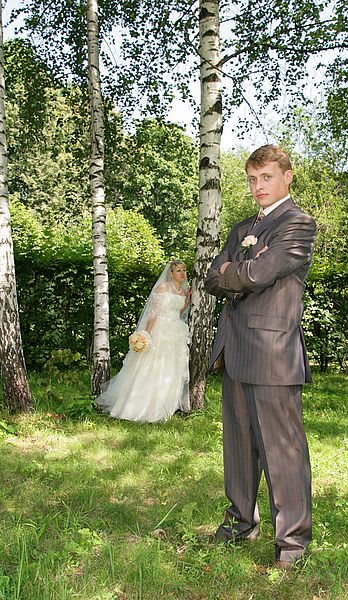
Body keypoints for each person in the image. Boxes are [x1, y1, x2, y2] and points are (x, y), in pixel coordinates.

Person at [204, 144, 316, 571]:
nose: (257, 187)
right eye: (252, 179)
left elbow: (257, 273)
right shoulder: (241, 227)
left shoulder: (299, 225)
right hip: (234, 350)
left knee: (281, 450)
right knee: (238, 444)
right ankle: (239, 521)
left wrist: (237, 272)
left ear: (287, 176)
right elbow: (213, 275)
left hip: (272, 352)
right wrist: (238, 272)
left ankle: (291, 542)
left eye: (266, 177)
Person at [96, 259, 191, 422]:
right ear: (171, 273)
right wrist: (146, 334)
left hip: (176, 330)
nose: (182, 273)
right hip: (161, 329)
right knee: (153, 366)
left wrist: (187, 299)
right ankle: (139, 406)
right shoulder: (163, 287)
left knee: (172, 367)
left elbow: (179, 310)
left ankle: (165, 406)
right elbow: (153, 313)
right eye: (179, 271)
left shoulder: (184, 290)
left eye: (184, 270)